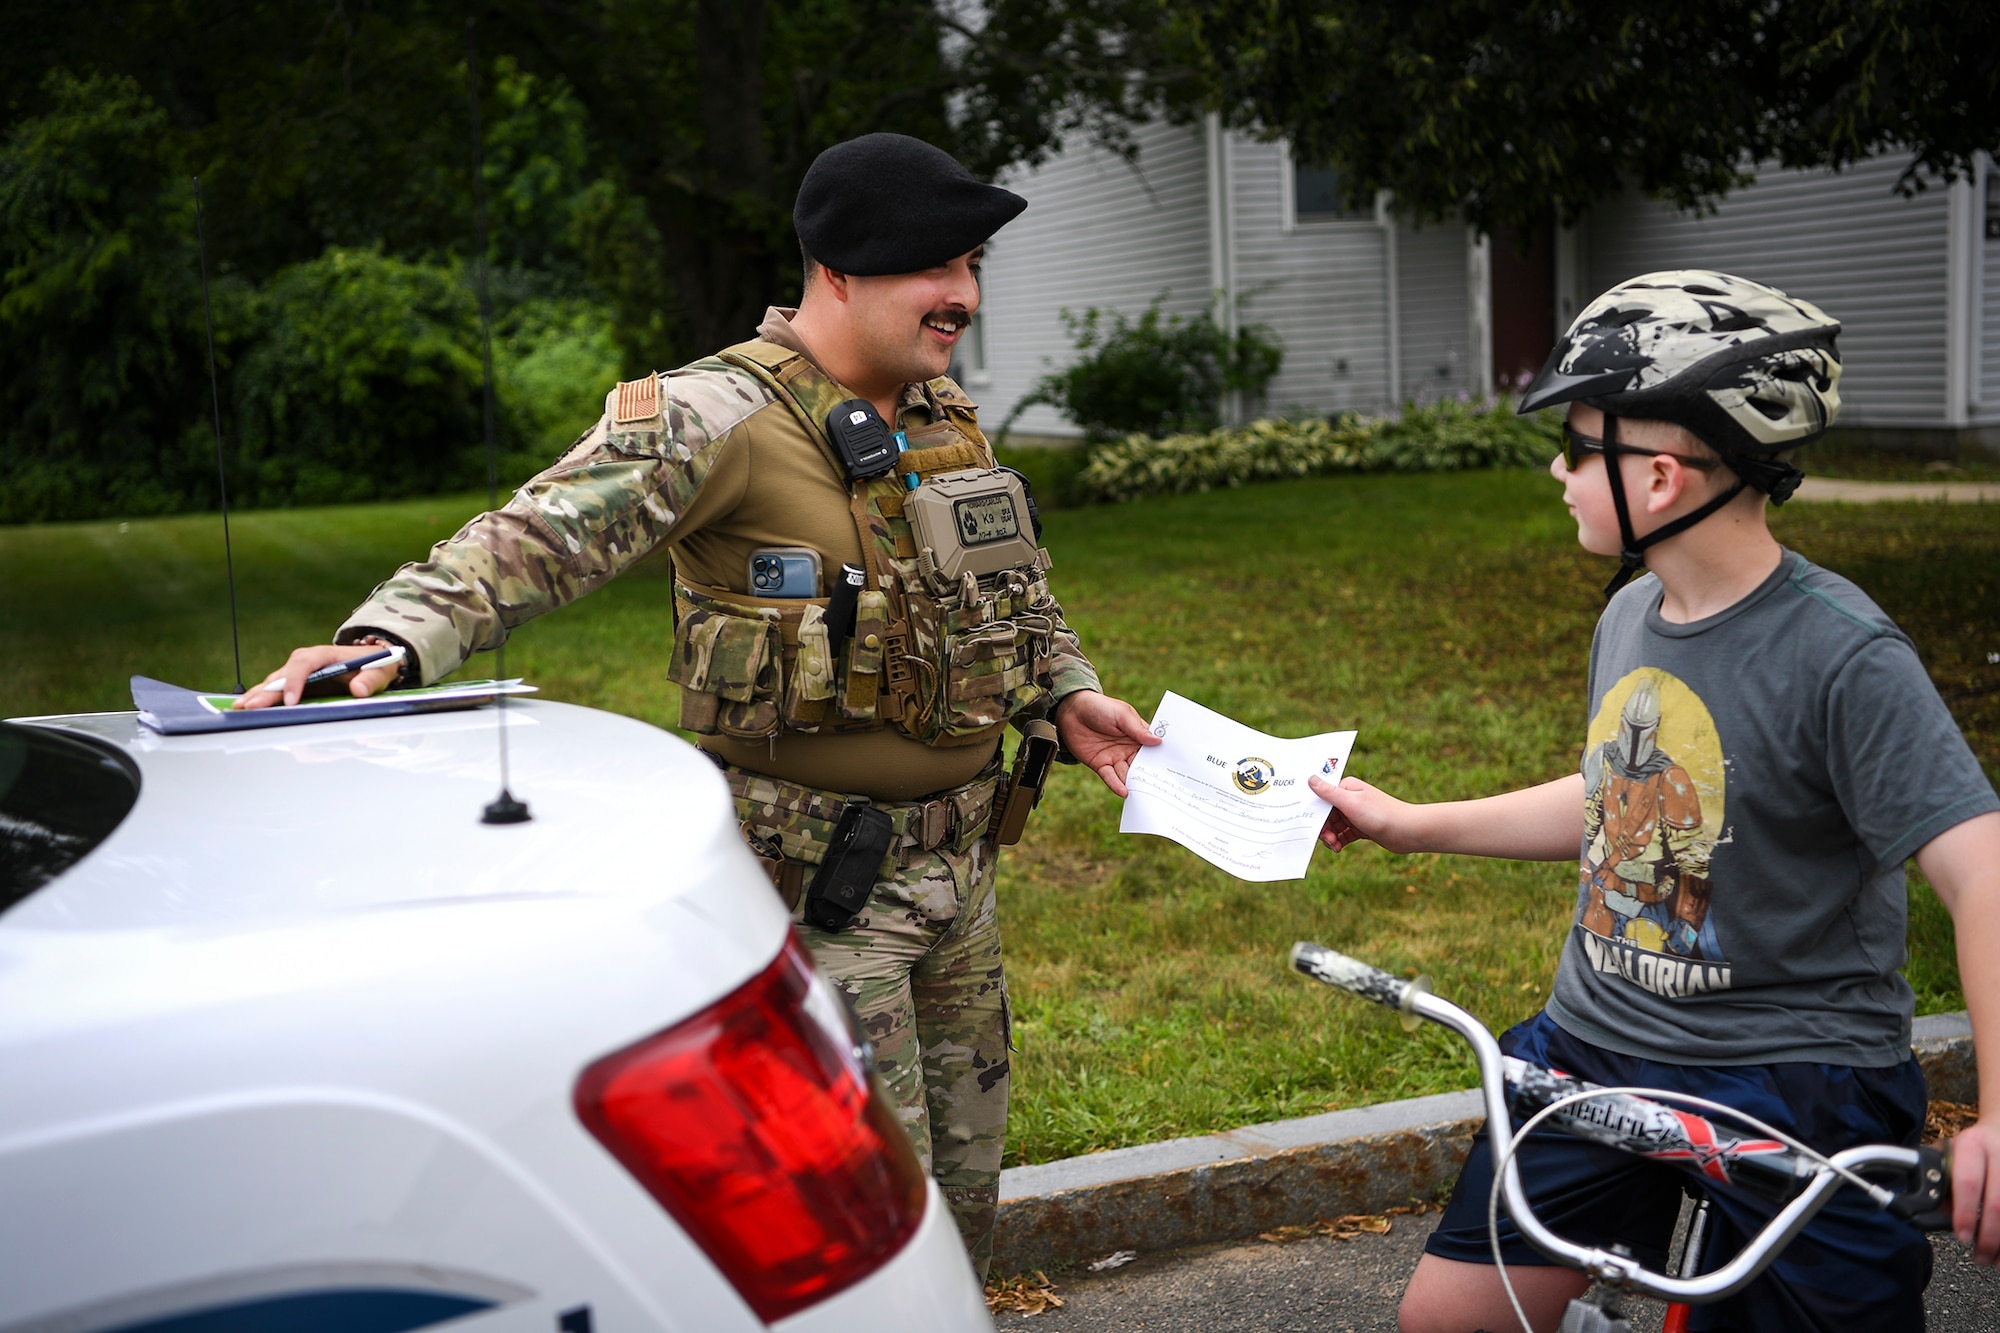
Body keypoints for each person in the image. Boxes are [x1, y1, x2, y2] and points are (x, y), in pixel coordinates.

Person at [237, 131, 1158, 1278]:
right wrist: (386, 637)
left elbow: (1004, 594)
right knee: (861, 1245)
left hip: (962, 882)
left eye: (972, 266)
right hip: (824, 899)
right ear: (838, 269)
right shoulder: (710, 415)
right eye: (939, 267)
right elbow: (536, 536)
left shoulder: (938, 413)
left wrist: (1063, 694)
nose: (963, 295)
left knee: (958, 1228)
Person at [1307, 271, 2000, 1333]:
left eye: (1581, 446)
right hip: (1592, 1047)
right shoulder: (1632, 611)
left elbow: (1978, 867)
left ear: (1663, 477)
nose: (1559, 467)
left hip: (1788, 1086)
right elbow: (1607, 806)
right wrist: (1412, 825)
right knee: (1447, 1321)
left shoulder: (1841, 654)